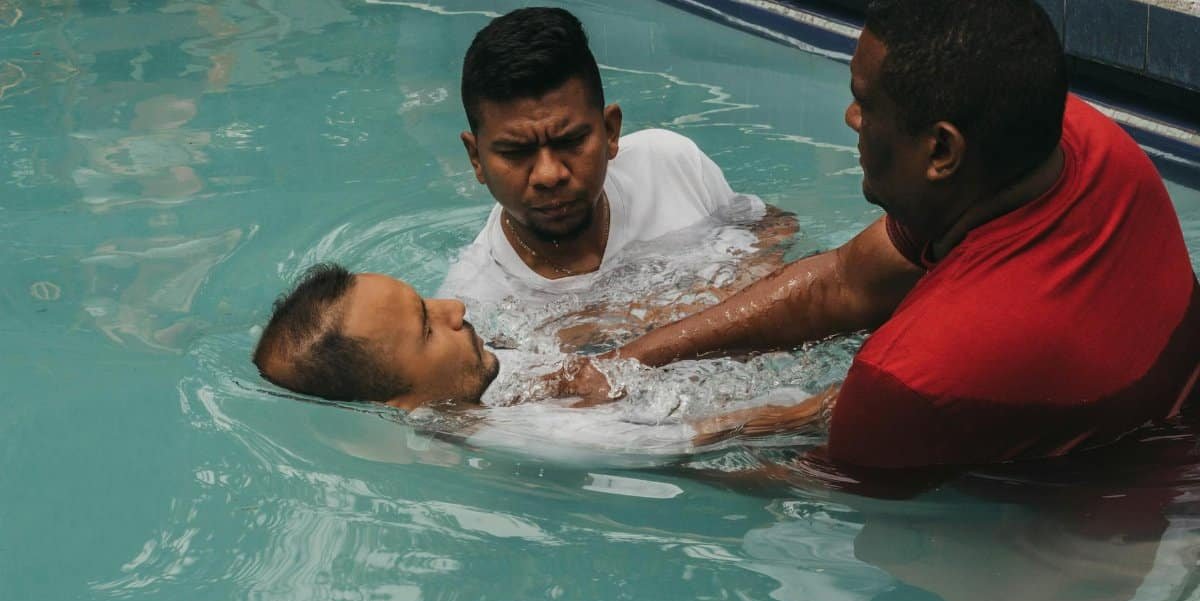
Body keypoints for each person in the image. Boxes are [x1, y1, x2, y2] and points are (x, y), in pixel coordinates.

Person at [555, 0, 1200, 470]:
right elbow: (842, 283)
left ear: (940, 151)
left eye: (866, 102)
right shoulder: (1086, 140)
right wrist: (624, 363)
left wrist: (601, 438)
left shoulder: (917, 373)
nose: (850, 117)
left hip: (1123, 524)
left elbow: (803, 472)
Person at [252, 264, 829, 448]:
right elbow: (718, 434)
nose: (453, 305)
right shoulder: (525, 435)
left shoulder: (467, 377)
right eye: (428, 326)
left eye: (426, 300)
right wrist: (825, 410)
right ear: (405, 404)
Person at [440, 7, 764, 304]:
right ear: (476, 158)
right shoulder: (475, 304)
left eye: (570, 141)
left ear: (610, 131)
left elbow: (770, 229)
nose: (549, 174)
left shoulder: (670, 164)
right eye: (516, 152)